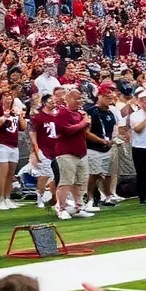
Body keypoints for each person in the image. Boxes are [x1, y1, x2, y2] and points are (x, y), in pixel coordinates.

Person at [53, 87, 94, 219]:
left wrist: (86, 123)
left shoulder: (80, 114)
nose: (80, 101)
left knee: (80, 182)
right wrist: (83, 123)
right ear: (69, 98)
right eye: (77, 98)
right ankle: (61, 208)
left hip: (81, 152)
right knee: (66, 181)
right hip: (66, 152)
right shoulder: (62, 113)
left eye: (81, 98)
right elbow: (68, 130)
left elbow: (85, 130)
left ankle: (78, 206)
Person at [0, 89, 25, 211]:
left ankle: (7, 197)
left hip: (14, 144)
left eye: (10, 95)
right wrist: (4, 117)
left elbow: (23, 127)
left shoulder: (15, 109)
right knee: (2, 174)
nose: (8, 98)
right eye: (5, 96)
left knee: (11, 174)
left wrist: (20, 115)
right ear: (1, 98)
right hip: (1, 144)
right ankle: (0, 199)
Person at [85, 84, 120, 207]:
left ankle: (108, 196)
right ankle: (89, 197)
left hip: (108, 147)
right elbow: (86, 132)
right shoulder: (91, 111)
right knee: (94, 174)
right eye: (107, 97)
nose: (110, 100)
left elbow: (113, 130)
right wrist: (102, 141)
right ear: (99, 96)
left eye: (111, 98)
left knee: (109, 174)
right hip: (94, 148)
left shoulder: (110, 113)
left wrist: (114, 139)